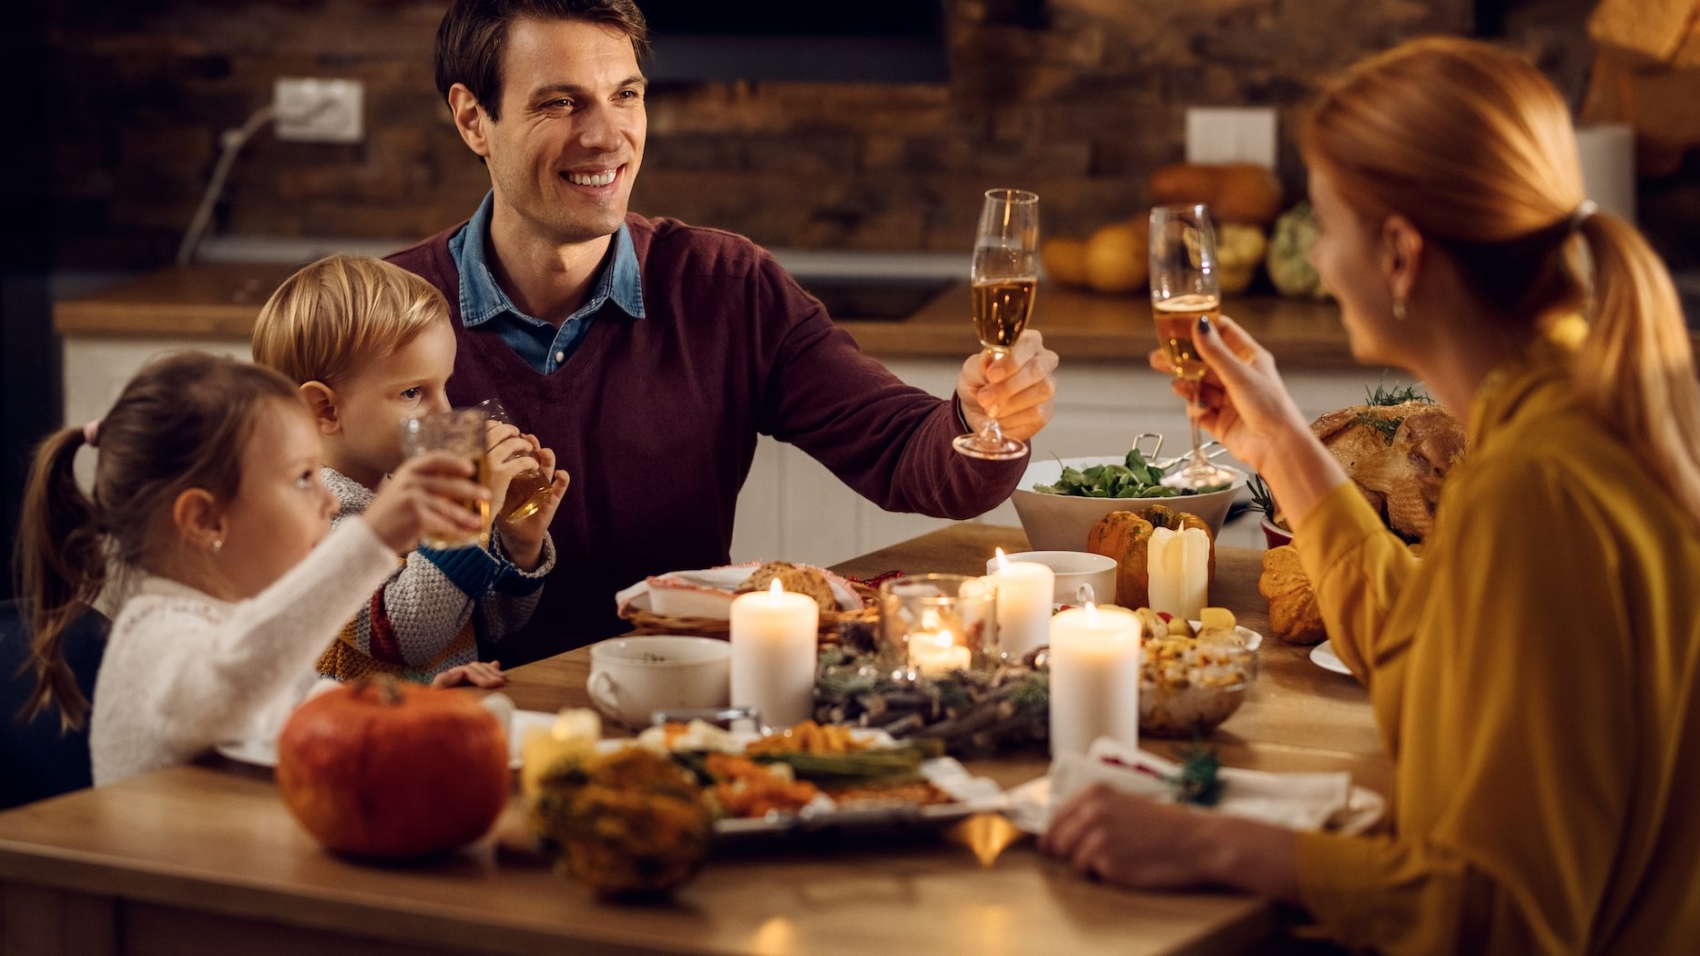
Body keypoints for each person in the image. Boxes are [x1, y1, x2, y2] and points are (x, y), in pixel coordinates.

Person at [1041, 37, 1700, 952]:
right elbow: (1420, 646)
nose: (1318, 253)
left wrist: (1220, 844)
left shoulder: (1534, 490)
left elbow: (1504, 914)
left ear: (1398, 252)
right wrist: (1280, 444)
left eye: (1325, 220)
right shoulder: (1563, 408)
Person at [390, 0, 1061, 663]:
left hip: (690, 711)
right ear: (474, 119)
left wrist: (979, 421)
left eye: (625, 94)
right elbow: (308, 577)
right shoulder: (381, 319)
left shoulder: (724, 285)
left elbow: (906, 453)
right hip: (471, 728)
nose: (606, 134)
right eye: (560, 103)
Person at [14, 353, 493, 785]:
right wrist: (373, 538)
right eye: (303, 478)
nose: (328, 500)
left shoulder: (241, 626)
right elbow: (235, 678)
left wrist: (416, 705)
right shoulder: (152, 634)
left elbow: (317, 713)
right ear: (204, 519)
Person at [252, 255, 569, 684]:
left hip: (436, 721)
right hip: (360, 739)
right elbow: (404, 635)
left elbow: (492, 622)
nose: (444, 412)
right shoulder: (309, 523)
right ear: (324, 409)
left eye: (444, 386)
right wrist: (468, 512)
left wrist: (518, 543)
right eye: (413, 392)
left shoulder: (416, 487)